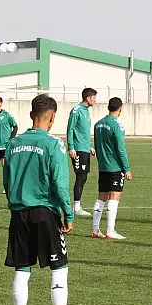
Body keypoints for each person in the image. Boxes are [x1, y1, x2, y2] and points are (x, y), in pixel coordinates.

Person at [4, 93, 85, 305]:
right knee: (59, 267)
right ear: (52, 118)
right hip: (44, 213)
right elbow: (60, 184)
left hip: (19, 213)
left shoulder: (13, 144)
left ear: (31, 115)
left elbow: (7, 180)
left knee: (22, 268)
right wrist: (68, 214)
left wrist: (15, 203)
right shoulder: (53, 144)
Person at [91, 97, 132, 239]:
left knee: (101, 197)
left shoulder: (98, 124)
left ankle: (95, 230)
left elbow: (97, 145)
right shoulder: (117, 125)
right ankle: (110, 230)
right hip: (115, 167)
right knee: (114, 197)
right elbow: (121, 148)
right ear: (120, 108)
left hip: (103, 166)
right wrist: (126, 168)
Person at [67, 87, 97, 215]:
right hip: (78, 149)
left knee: (84, 176)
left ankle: (77, 206)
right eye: (94, 98)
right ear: (88, 98)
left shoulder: (86, 111)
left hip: (84, 149)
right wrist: (71, 147)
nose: (95, 100)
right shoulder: (77, 110)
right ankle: (76, 207)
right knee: (80, 176)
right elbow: (70, 129)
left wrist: (90, 146)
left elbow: (84, 131)